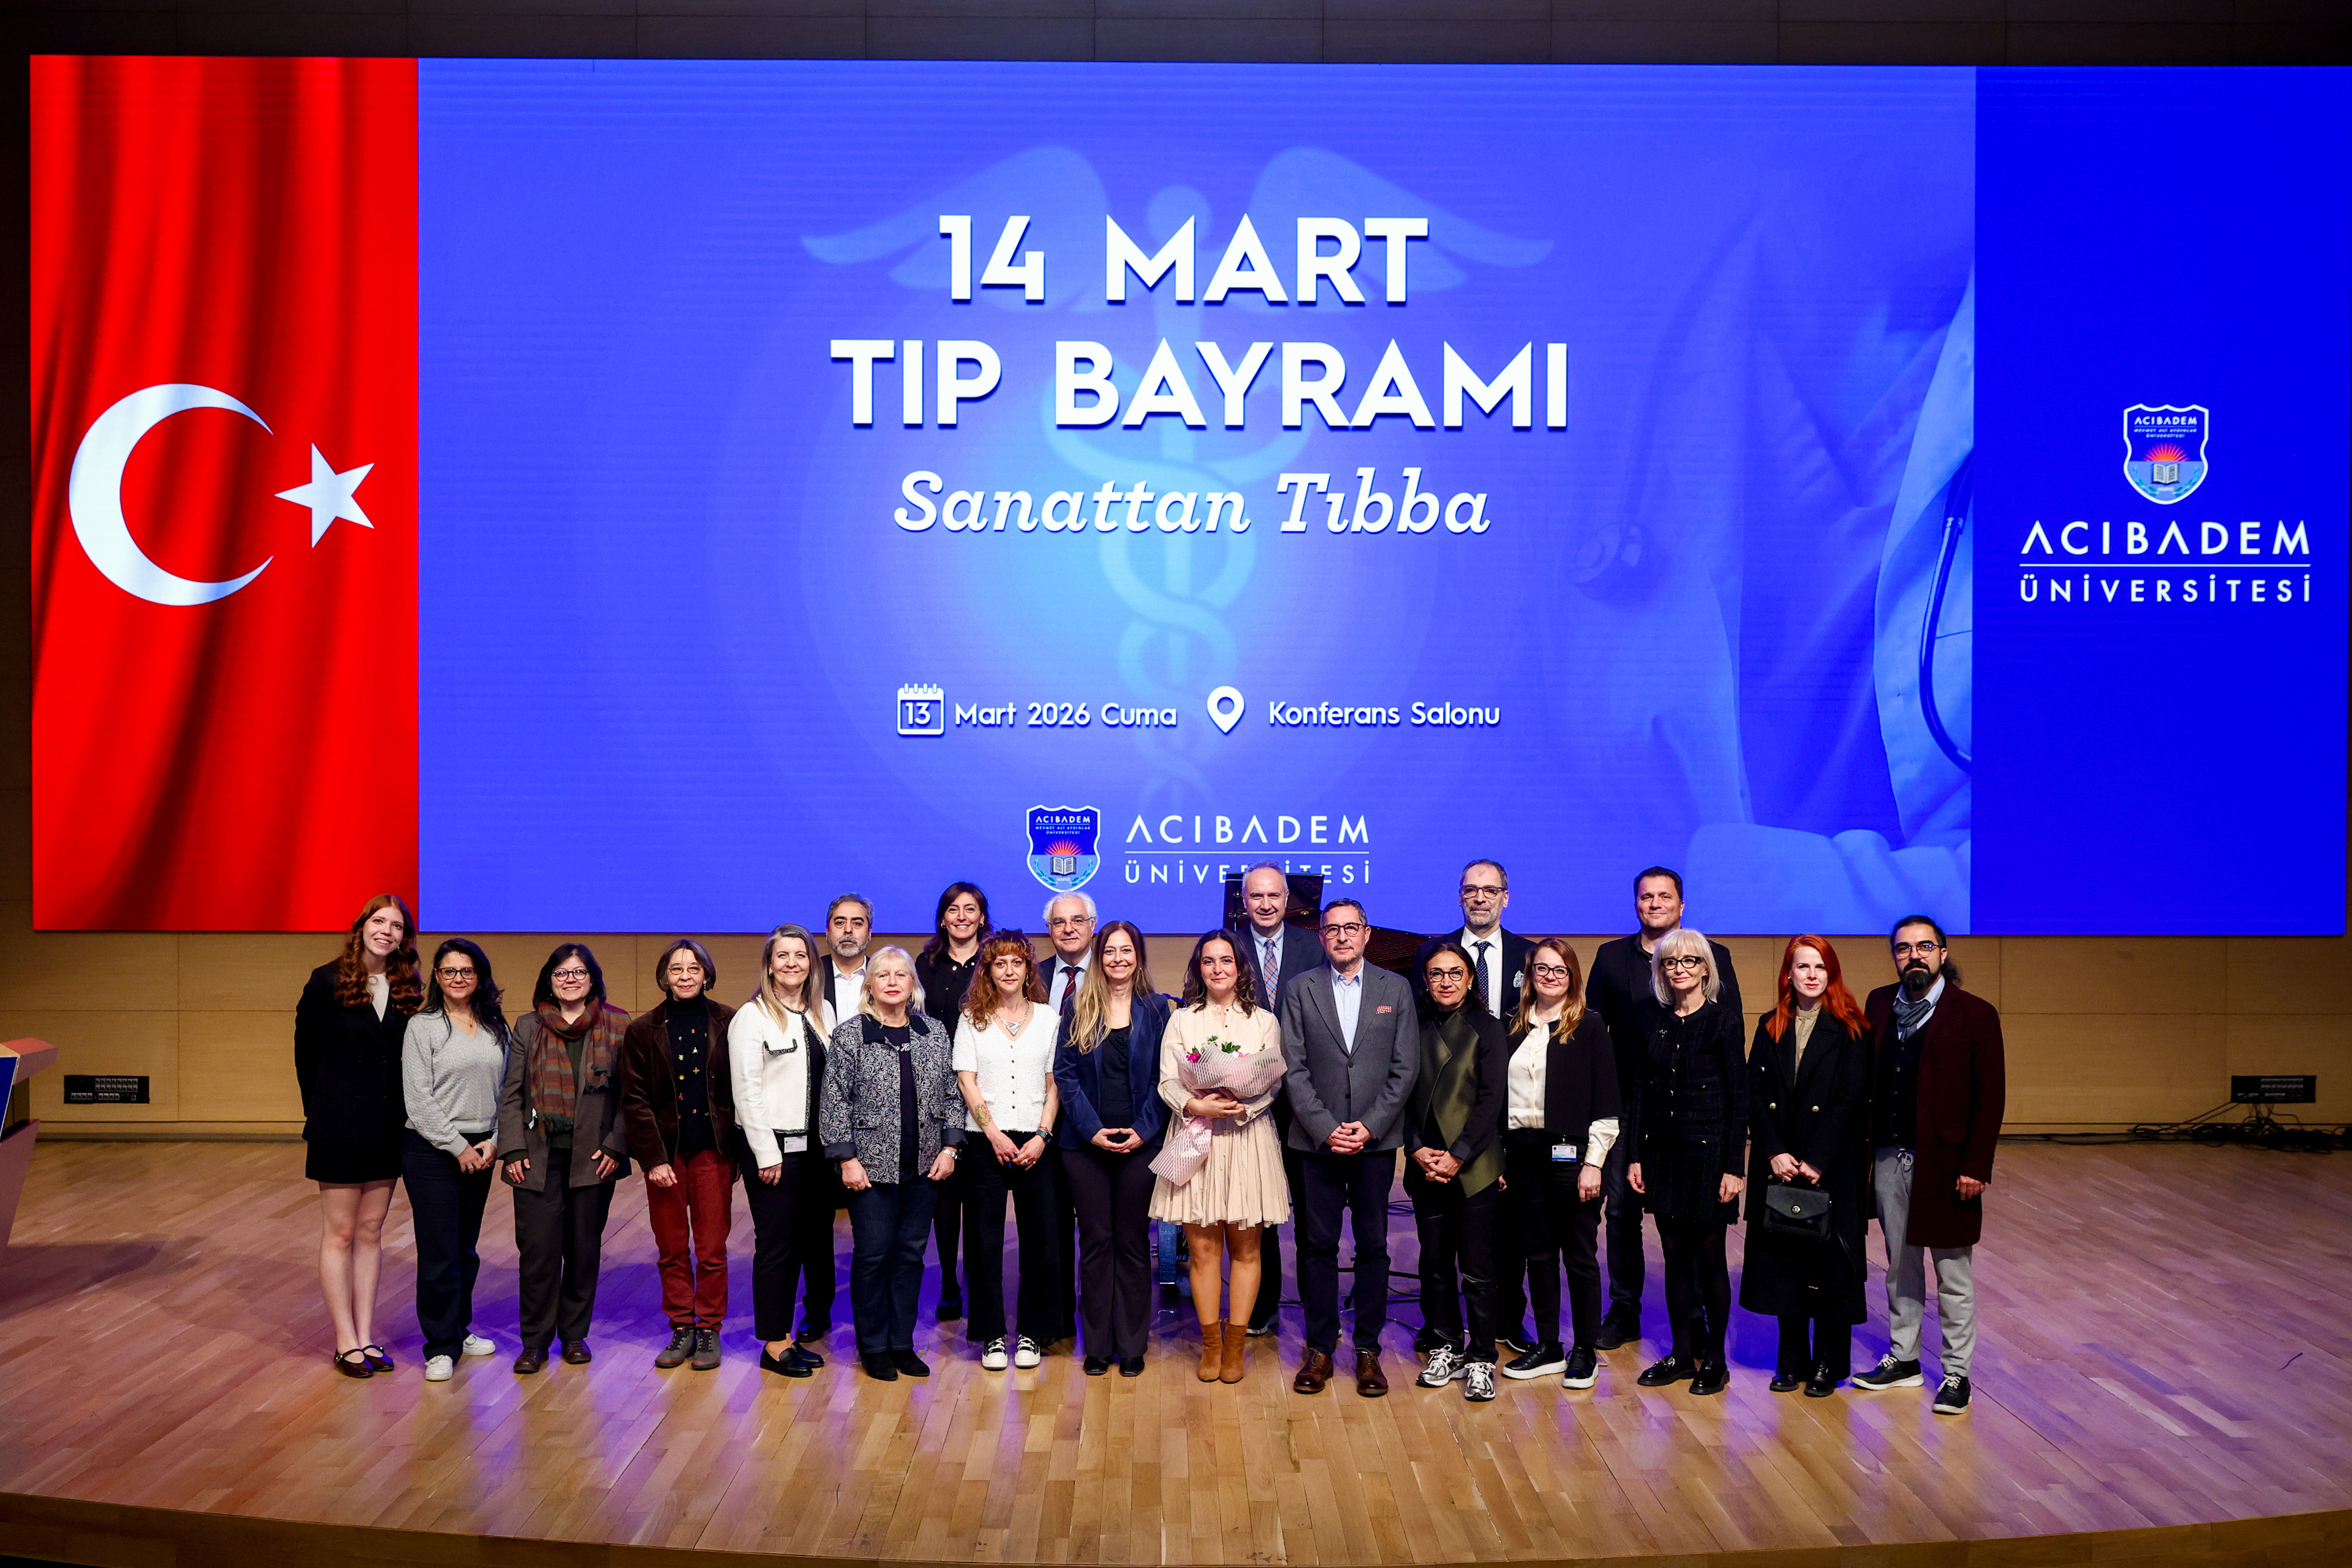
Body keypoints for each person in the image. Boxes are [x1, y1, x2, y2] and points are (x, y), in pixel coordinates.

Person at [1583, 866, 1743, 1352]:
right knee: (1621, 1211)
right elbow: (1591, 1031)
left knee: (1692, 1223)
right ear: (1636, 903)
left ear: (1681, 904)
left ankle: (1695, 1317)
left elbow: (1728, 1032)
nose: (1654, 903)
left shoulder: (1714, 955)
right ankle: (1624, 1307)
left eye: (1664, 896)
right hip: (1629, 1105)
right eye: (1646, 896)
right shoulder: (1611, 957)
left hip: (1694, 1115)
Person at [1853, 915, 2006, 1416]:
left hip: (1947, 1163)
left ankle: (1957, 1372)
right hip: (1888, 1156)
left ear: (1942, 953)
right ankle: (1904, 1358)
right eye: (1903, 948)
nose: (1913, 955)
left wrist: (1976, 1164)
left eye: (1923, 946)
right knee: (1899, 1265)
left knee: (1952, 1272)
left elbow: (1990, 1097)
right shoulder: (1879, 1003)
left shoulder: (1974, 1013)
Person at [1280, 898, 1420, 1398]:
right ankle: (1319, 1347)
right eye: (1332, 928)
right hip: (1315, 1143)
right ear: (1322, 936)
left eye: (1350, 927)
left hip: (1374, 1144)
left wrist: (1371, 1125)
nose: (1341, 936)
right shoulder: (1300, 989)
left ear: (1366, 933)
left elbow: (1405, 1067)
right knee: (1316, 1245)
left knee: (1373, 1246)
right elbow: (1292, 1068)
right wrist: (1325, 1127)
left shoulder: (1395, 988)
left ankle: (1367, 1349)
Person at [1150, 930, 1288, 1384]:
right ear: (1199, 969)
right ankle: (1211, 1343)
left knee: (1246, 1249)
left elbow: (1272, 1081)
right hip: (1196, 1136)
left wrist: (1243, 1106)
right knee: (1204, 1250)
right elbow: (1167, 1080)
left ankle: (1236, 1344)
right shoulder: (1182, 1020)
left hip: (1247, 1137)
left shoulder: (1264, 1021)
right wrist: (1195, 1104)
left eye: (1225, 960)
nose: (1217, 969)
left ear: (1240, 967)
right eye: (1208, 961)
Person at [818, 945, 963, 1381]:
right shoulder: (850, 1035)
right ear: (870, 985)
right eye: (883, 975)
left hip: (925, 1167)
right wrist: (846, 1158)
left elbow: (953, 1094)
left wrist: (950, 1149)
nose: (893, 981)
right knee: (873, 1256)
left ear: (913, 984)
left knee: (911, 1256)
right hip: (869, 1169)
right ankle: (874, 1346)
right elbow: (834, 1101)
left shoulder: (933, 1032)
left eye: (901, 974)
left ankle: (902, 1343)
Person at [296, 894, 422, 1379]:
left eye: (397, 925)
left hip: (388, 1125)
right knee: (342, 1232)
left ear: (404, 938)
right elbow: (306, 1055)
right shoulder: (325, 980)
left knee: (371, 1232)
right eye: (379, 921)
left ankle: (367, 1335)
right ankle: (345, 1341)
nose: (387, 931)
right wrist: (323, 1113)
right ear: (361, 926)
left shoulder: (408, 984)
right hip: (339, 1125)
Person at [1740, 935, 1871, 1398]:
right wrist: (1773, 1150)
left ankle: (1828, 1363)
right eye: (1803, 966)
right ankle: (1791, 1361)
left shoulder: (1852, 1027)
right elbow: (1753, 1092)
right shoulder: (1770, 1024)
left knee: (1830, 1267)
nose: (1812, 974)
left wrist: (1817, 1159)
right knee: (1786, 1265)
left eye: (1820, 966)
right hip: (1780, 1165)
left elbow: (1851, 1100)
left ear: (1831, 973)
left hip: (1829, 1167)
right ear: (1789, 974)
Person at [1622, 928, 1747, 1397]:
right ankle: (1680, 1353)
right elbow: (1639, 1090)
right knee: (1673, 1251)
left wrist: (1734, 1167)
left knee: (1710, 1253)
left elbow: (1738, 1096)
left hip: (1710, 1152)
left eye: (1689, 961)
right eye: (1670, 962)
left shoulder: (1723, 1021)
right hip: (1663, 1152)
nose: (1679, 969)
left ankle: (1714, 1358)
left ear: (1705, 969)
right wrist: (1635, 1155)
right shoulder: (1650, 1018)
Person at [498, 943, 632, 1373]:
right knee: (538, 1253)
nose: (570, 979)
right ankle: (535, 1342)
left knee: (582, 1250)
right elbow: (511, 1093)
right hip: (537, 1157)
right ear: (549, 981)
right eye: (561, 972)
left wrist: (616, 1145)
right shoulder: (529, 1025)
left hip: (594, 1157)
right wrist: (513, 1147)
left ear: (593, 979)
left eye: (578, 972)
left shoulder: (618, 1024)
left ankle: (574, 1335)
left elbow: (630, 1096)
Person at [1494, 938, 1620, 1390]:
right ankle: (1549, 1345)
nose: (1549, 976)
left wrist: (1594, 1163)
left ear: (1572, 977)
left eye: (1559, 969)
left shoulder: (1589, 1026)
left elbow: (1607, 1102)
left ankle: (1584, 1348)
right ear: (1530, 975)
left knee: (1580, 1256)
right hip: (1522, 1155)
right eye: (1541, 968)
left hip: (1572, 1157)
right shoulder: (1511, 1025)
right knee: (1539, 1254)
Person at [1052, 920, 1170, 1377]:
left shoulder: (1158, 1009)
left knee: (1133, 1241)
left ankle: (1133, 1345)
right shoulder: (1077, 1005)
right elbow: (1066, 1074)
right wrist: (1092, 1130)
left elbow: (1166, 1078)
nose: (1118, 959)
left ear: (1138, 957)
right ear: (1099, 958)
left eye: (1126, 950)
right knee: (1096, 1241)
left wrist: (1143, 1129)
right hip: (1085, 1146)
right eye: (1109, 951)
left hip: (1142, 1143)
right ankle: (1099, 1345)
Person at [620, 939, 738, 1372]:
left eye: (693, 968)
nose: (685, 975)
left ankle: (709, 1327)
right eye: (676, 969)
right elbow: (634, 1100)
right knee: (671, 1247)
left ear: (706, 975)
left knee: (711, 1248)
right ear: (664, 977)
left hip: (713, 1152)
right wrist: (653, 1159)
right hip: (666, 1157)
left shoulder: (730, 1021)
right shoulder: (642, 1029)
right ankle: (682, 1325)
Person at [728, 924, 838, 1378]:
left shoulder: (823, 1011)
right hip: (775, 1151)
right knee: (777, 1247)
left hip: (817, 1152)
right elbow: (745, 1091)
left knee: (811, 1242)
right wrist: (765, 1152)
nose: (792, 963)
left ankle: (787, 1336)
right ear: (769, 965)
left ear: (812, 963)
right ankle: (774, 1342)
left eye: (801, 955)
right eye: (782, 955)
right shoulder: (751, 1017)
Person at [400, 937, 509, 1382]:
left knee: (465, 1248)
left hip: (481, 1148)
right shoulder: (422, 1026)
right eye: (449, 970)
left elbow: (508, 1090)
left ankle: (459, 1329)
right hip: (432, 1149)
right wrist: (457, 1145)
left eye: (467, 970)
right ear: (437, 977)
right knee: (439, 1251)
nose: (458, 978)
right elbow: (418, 1098)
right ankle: (440, 1346)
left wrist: (495, 1140)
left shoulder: (495, 1024)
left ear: (479, 976)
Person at [1404, 942, 1509, 1402]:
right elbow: (1402, 1093)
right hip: (1426, 1164)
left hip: (1474, 1165)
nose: (1445, 981)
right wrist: (1415, 1148)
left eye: (1454, 972)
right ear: (1425, 981)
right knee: (1434, 1264)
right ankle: (1445, 1345)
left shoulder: (1488, 1028)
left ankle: (1482, 1355)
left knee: (1477, 1268)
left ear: (1470, 979)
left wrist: (1459, 1154)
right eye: (1436, 973)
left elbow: (1491, 1101)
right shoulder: (1413, 1027)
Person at [952, 930, 1059, 1371]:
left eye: (1017, 962)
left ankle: (1032, 1331)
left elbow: (1055, 1083)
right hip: (985, 1141)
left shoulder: (1049, 1018)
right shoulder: (971, 1018)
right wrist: (993, 1133)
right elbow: (966, 1079)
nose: (1009, 970)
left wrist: (1042, 1135)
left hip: (1037, 1140)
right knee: (983, 1242)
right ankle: (992, 1334)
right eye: (1000, 963)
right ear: (988, 971)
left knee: (1040, 1241)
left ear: (1028, 968)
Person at [1232, 861, 1321, 1337]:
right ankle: (1262, 1305)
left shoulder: (1316, 945)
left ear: (1288, 899)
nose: (1265, 904)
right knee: (1259, 1211)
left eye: (1273, 895)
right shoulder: (1227, 948)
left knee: (1310, 1212)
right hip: (1249, 1105)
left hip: (1306, 1101)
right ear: (1243, 901)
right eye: (1256, 896)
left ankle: (1316, 1310)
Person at [916, 882, 991, 1324]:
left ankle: (979, 1278)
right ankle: (949, 1283)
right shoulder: (925, 965)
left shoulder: (995, 960)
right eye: (953, 909)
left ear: (982, 916)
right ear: (942, 918)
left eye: (970, 909)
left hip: (985, 1088)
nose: (962, 916)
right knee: (945, 1194)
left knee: (979, 1192)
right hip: (935, 1089)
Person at [1413, 858, 1532, 1020]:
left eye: (1490, 890)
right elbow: (1418, 1015)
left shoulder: (1528, 954)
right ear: (1460, 897)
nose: (1480, 899)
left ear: (1505, 899)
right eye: (1471, 890)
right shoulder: (1429, 952)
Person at [1037, 892, 1096, 1011]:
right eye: (1059, 923)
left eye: (1078, 921)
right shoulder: (1035, 975)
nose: (1068, 929)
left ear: (1092, 926)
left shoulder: (1109, 972)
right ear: (1049, 929)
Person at [822, 894, 875, 1021]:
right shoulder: (811, 974)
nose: (848, 930)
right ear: (828, 931)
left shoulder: (883, 975)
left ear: (869, 933)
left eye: (857, 924)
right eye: (840, 923)